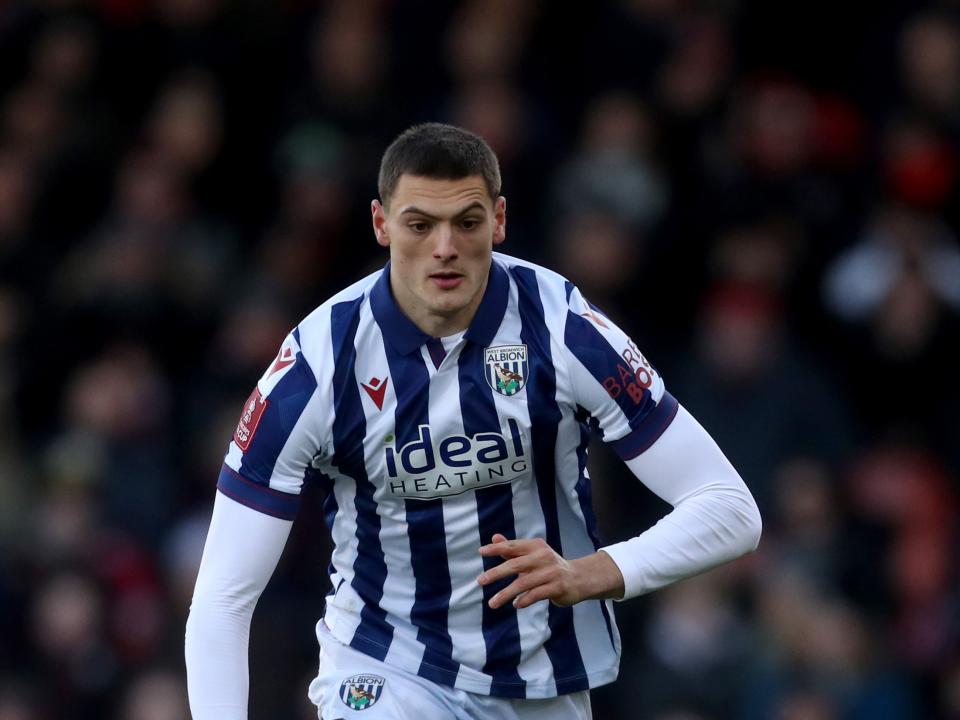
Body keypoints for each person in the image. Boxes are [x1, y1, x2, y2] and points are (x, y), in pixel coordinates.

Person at [185, 123, 762, 720]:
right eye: (419, 224)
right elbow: (223, 600)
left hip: (541, 677)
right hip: (386, 667)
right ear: (382, 224)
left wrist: (597, 572)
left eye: (467, 222)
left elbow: (729, 508)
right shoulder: (318, 364)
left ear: (500, 219)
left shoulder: (562, 328)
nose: (444, 247)